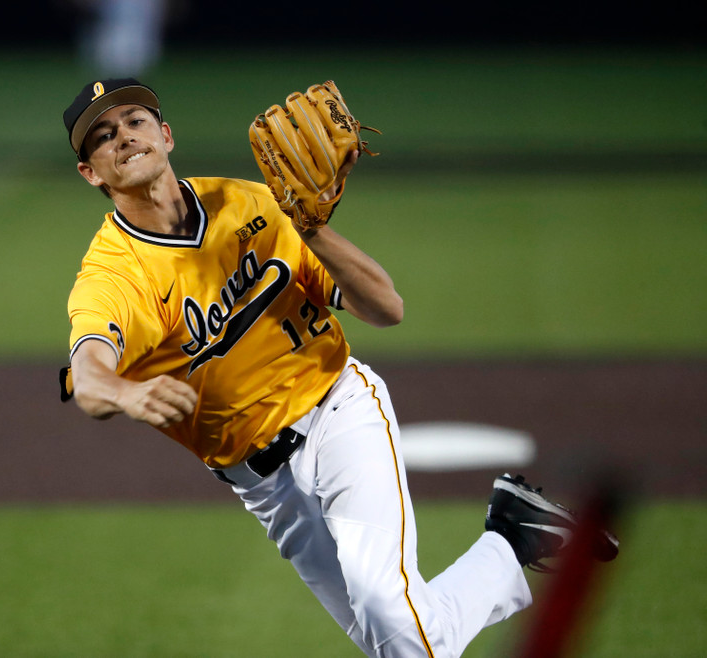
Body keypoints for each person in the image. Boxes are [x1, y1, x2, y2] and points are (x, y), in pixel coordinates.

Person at [59, 78, 618, 657]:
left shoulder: (249, 202)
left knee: (388, 611)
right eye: (102, 136)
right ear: (91, 174)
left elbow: (387, 308)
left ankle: (512, 534)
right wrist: (124, 394)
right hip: (266, 489)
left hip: (340, 413)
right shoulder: (114, 274)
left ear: (166, 135)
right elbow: (89, 374)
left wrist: (311, 230)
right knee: (403, 645)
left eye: (134, 121)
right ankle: (511, 537)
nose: (123, 137)